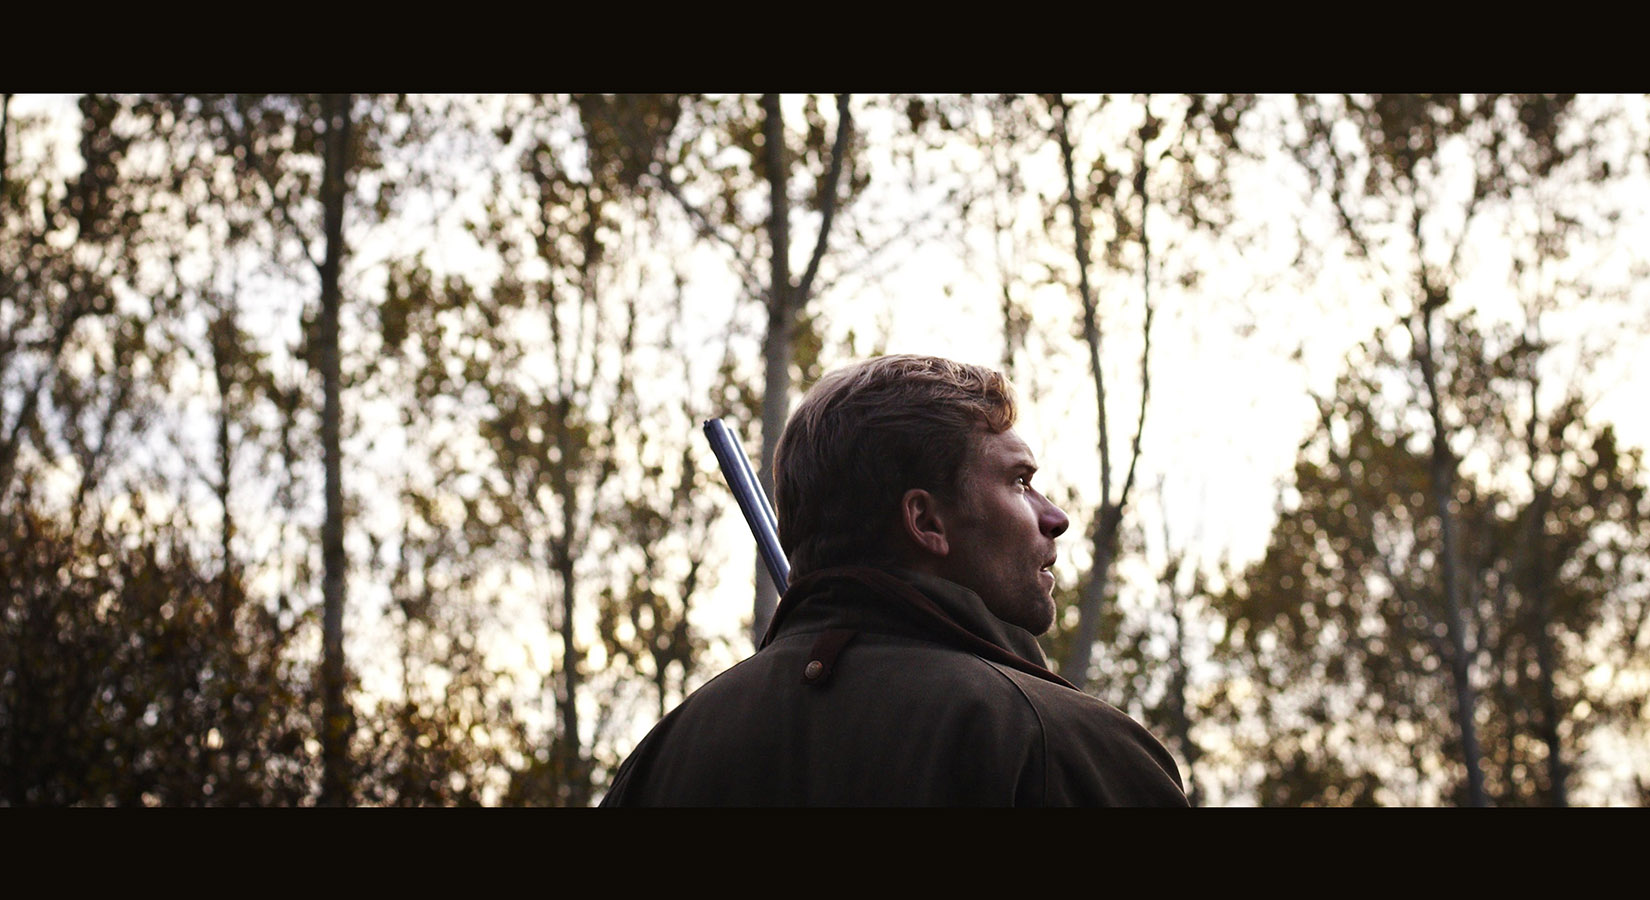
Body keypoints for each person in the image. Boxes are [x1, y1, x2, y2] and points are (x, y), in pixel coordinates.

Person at [600, 354, 1187, 806]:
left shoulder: (662, 759)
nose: (1055, 517)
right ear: (926, 521)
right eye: (1019, 482)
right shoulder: (1056, 749)